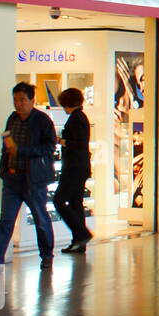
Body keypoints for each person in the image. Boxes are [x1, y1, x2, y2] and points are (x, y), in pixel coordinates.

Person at [0, 82, 57, 268]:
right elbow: (7, 143)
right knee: (6, 220)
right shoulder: (12, 118)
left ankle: (47, 255)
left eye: (22, 100)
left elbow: (49, 147)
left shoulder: (42, 121)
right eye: (15, 100)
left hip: (33, 180)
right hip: (12, 178)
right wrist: (4, 168)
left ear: (32, 100)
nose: (18, 104)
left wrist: (22, 151)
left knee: (40, 218)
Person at [56, 88, 93, 254]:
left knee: (59, 200)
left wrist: (60, 141)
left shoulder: (76, 119)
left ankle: (82, 234)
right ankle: (79, 241)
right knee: (76, 202)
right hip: (80, 167)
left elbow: (77, 143)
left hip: (74, 167)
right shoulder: (80, 117)